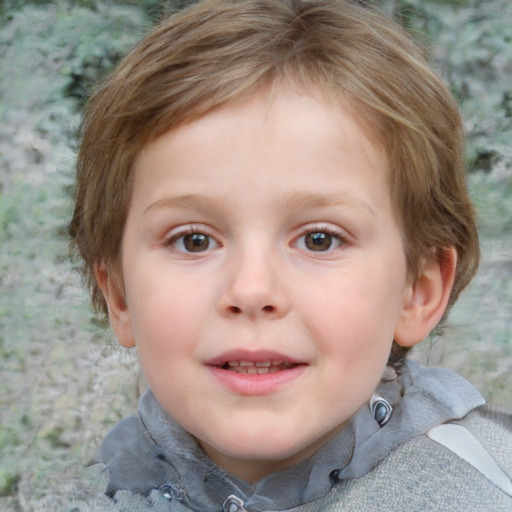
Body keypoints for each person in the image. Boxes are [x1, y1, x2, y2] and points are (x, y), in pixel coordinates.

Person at [69, 0, 512, 510]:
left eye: (319, 239)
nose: (252, 290)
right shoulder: (108, 488)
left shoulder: (477, 492)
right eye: (194, 240)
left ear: (418, 291)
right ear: (120, 295)